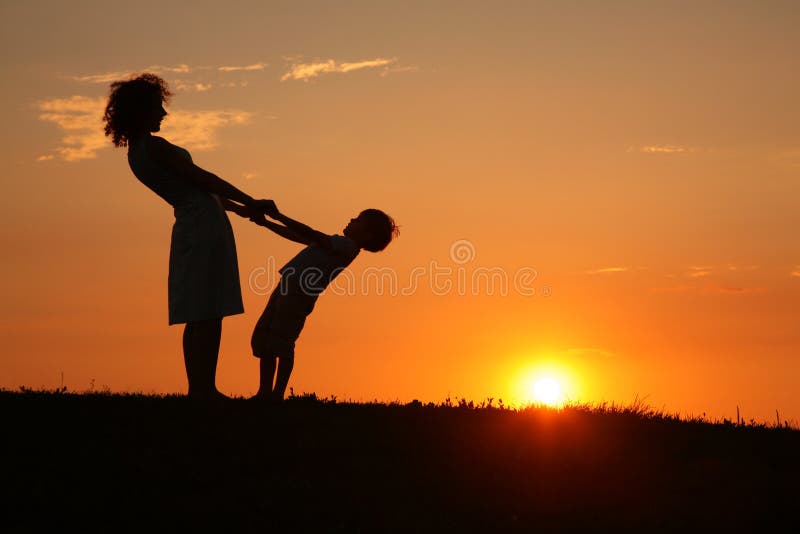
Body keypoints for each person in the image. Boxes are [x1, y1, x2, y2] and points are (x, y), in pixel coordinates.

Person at [103, 73, 277, 400]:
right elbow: (203, 179)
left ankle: (200, 388)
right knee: (207, 309)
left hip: (196, 221)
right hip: (202, 225)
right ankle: (203, 389)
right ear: (142, 111)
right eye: (157, 107)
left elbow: (194, 189)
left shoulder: (137, 153)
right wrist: (250, 200)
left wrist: (238, 209)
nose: (163, 114)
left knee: (201, 310)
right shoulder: (153, 148)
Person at [240, 207, 398, 401]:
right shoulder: (338, 244)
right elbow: (296, 235)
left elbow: (310, 233)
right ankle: (265, 392)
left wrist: (278, 215)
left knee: (282, 341)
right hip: (288, 287)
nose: (351, 219)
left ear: (366, 235)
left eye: (357, 220)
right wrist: (267, 223)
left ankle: (277, 394)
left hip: (297, 294)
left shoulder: (346, 246)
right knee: (268, 336)